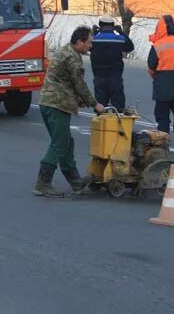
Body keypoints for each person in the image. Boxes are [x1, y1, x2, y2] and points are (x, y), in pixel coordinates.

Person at [34, 26, 105, 197]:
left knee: (66, 142)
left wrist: (82, 101)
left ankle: (75, 182)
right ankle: (43, 183)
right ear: (79, 42)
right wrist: (94, 104)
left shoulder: (64, 50)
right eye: (89, 42)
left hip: (48, 102)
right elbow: (79, 84)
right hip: (58, 105)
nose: (90, 46)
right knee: (59, 144)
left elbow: (67, 82)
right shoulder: (73, 59)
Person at [147, 15, 174, 155]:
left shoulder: (158, 45)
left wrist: (156, 77)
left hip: (163, 87)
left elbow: (151, 66)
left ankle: (163, 144)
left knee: (162, 117)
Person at [90, 14, 134, 112]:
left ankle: (101, 125)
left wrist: (93, 33)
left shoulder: (94, 40)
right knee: (118, 107)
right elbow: (130, 47)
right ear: (113, 25)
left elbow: (87, 46)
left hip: (99, 77)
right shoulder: (119, 39)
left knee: (100, 107)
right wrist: (121, 32)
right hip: (115, 77)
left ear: (100, 25)